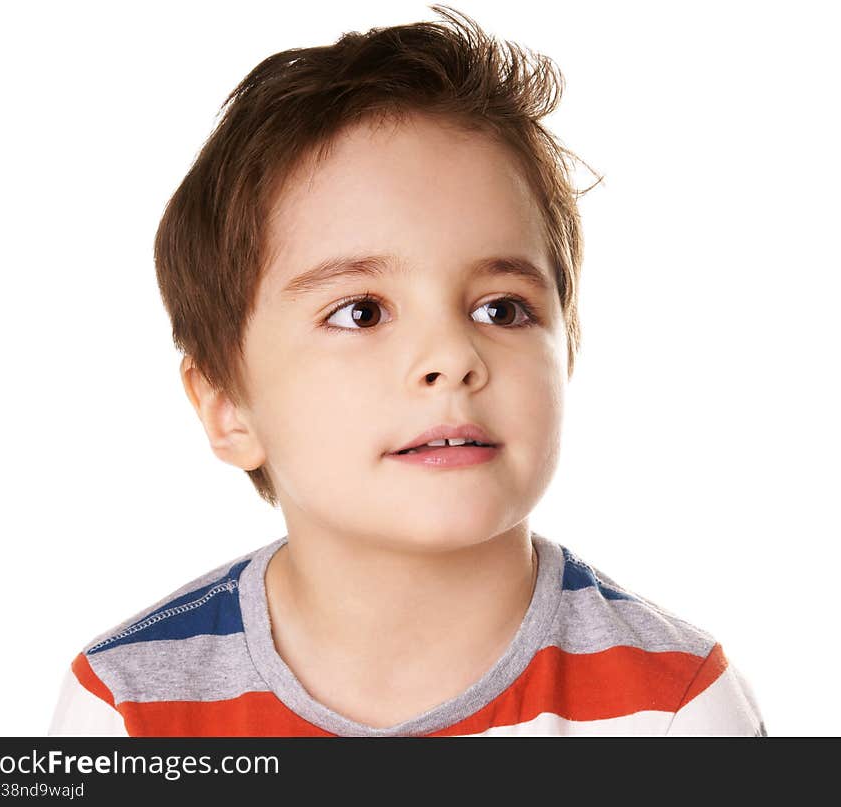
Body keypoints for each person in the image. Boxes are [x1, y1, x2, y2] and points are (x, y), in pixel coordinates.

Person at [48, 4, 766, 737]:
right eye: (361, 311)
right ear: (228, 405)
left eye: (502, 309)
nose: (453, 357)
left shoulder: (677, 706)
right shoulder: (126, 709)